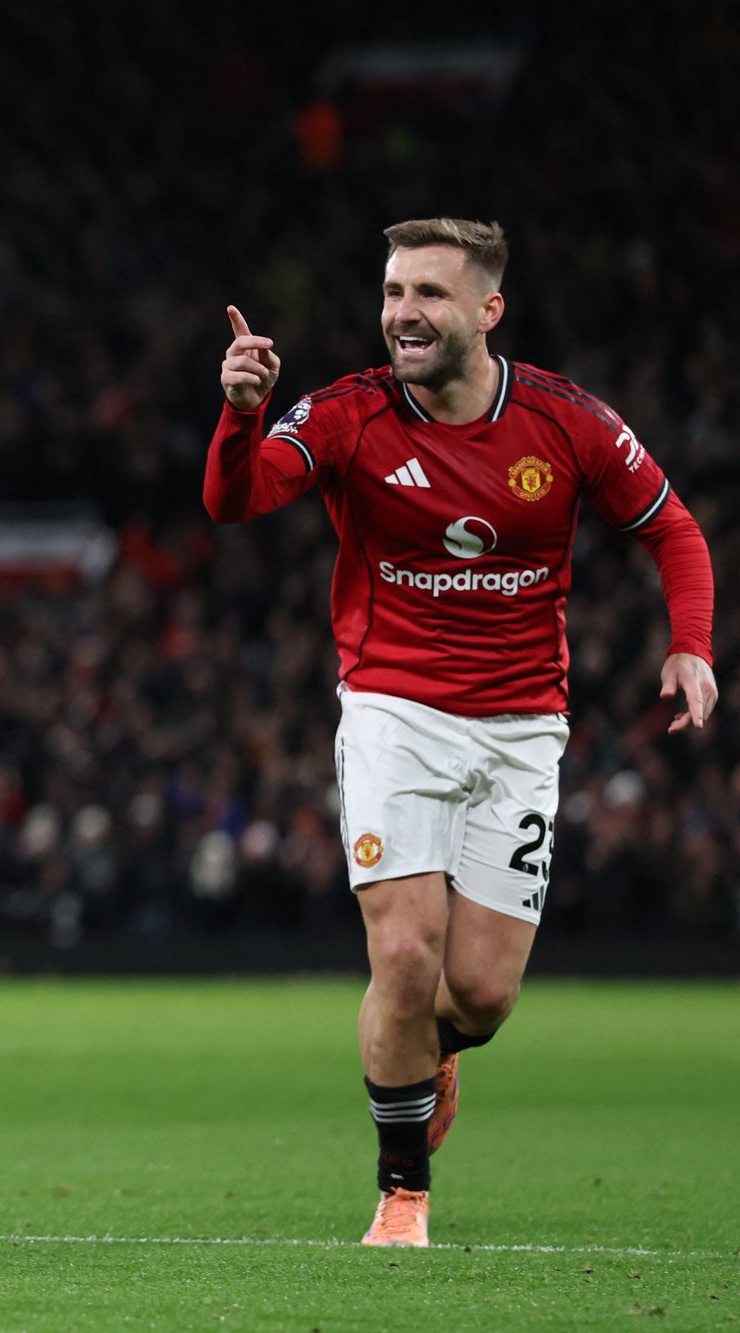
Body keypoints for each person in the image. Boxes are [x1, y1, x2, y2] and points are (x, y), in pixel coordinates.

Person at [205, 218, 717, 1248]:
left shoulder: (564, 421)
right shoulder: (345, 413)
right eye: (393, 292)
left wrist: (691, 645)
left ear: (486, 311)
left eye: (429, 295)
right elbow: (236, 500)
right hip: (392, 709)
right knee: (401, 959)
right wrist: (240, 418)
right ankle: (401, 1194)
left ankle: (421, 1052)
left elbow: (668, 526)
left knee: (475, 996)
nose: (402, 313)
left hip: (521, 728)